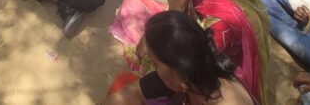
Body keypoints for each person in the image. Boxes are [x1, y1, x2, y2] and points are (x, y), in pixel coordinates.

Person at [109, 0, 271, 105]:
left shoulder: (221, 23)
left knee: (126, 82)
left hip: (202, 76)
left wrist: (175, 9)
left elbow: (147, 53)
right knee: (134, 0)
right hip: (193, 76)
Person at [104, 11, 255, 105]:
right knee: (124, 81)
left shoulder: (226, 99)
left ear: (178, 70)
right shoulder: (192, 74)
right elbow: (131, 92)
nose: (154, 70)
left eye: (156, 64)